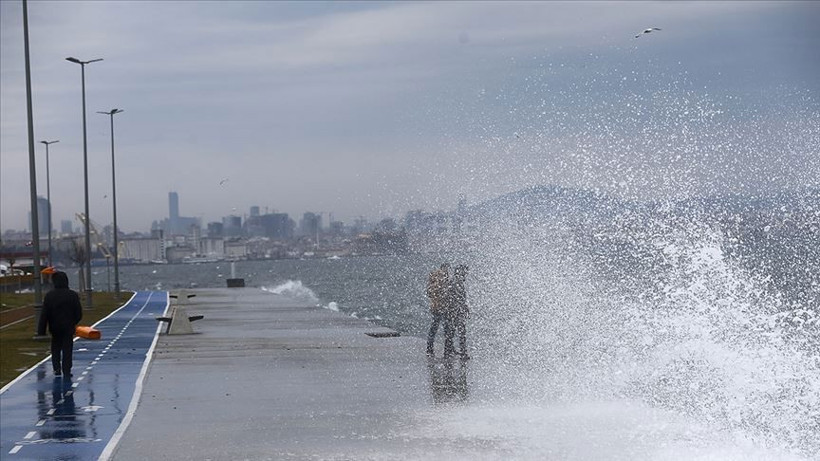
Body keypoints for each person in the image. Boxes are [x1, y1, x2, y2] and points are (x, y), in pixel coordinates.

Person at [37, 271, 83, 378]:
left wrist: (41, 331)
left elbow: (44, 315)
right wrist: (73, 322)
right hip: (68, 327)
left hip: (54, 327)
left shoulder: (49, 296)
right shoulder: (72, 295)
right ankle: (67, 369)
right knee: (67, 349)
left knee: (55, 347)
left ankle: (56, 368)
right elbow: (78, 313)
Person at [426, 263, 451, 357]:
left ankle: (430, 349)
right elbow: (431, 293)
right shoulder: (440, 280)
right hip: (441, 308)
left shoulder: (434, 281)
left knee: (435, 328)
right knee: (446, 329)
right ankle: (446, 350)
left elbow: (429, 293)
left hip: (436, 307)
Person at [447, 264, 470, 359]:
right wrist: (462, 308)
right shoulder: (456, 283)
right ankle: (461, 352)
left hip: (455, 311)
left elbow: (456, 298)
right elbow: (456, 298)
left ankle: (450, 350)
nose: (465, 275)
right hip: (456, 312)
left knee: (453, 332)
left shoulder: (454, 282)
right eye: (464, 273)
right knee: (460, 332)